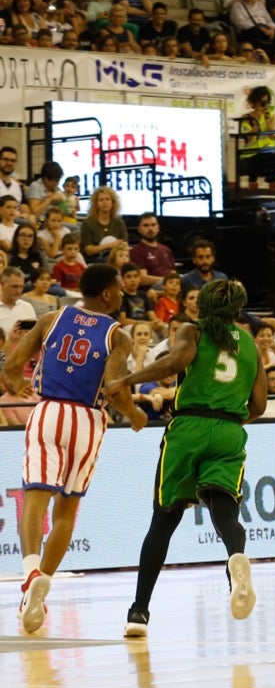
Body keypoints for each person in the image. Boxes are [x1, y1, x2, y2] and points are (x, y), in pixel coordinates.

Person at [109, 279, 267, 637]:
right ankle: (235, 562)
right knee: (225, 512)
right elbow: (258, 406)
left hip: (188, 427)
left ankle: (139, 613)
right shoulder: (252, 347)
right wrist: (226, 417)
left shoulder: (193, 332)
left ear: (203, 307)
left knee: (163, 521)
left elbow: (174, 363)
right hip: (229, 430)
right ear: (238, 311)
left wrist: (129, 379)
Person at [0, 264, 146, 634]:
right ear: (109, 293)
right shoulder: (118, 335)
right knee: (67, 509)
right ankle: (40, 587)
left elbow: (12, 365)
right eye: (119, 290)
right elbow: (114, 388)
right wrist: (134, 414)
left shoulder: (50, 318)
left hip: (48, 411)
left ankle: (32, 570)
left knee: (35, 499)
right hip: (87, 421)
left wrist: (17, 386)